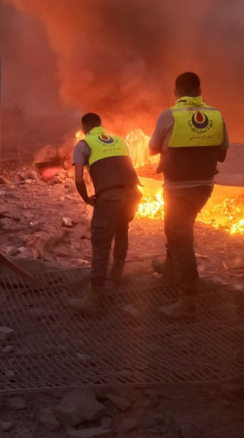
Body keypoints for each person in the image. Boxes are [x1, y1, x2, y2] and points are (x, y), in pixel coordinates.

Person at [149, 72, 229, 319]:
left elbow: (152, 149)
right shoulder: (216, 115)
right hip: (204, 187)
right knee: (177, 230)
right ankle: (170, 270)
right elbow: (222, 154)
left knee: (180, 238)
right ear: (199, 90)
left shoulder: (169, 115)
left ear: (176, 91)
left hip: (178, 188)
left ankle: (188, 301)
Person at [68, 113, 141, 314]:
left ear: (84, 128)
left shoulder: (83, 144)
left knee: (100, 242)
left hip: (110, 197)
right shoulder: (119, 140)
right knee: (121, 227)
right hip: (133, 193)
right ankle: (117, 274)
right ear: (101, 125)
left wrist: (86, 199)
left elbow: (79, 180)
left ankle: (94, 297)